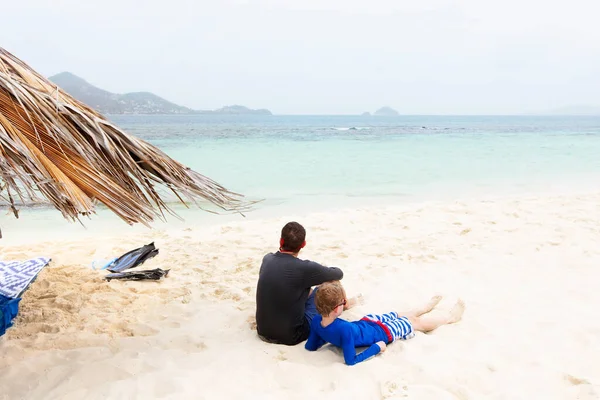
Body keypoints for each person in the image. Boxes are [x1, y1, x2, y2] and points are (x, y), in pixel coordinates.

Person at [305, 281, 465, 365]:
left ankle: (423, 308)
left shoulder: (317, 321)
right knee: (414, 323)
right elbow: (351, 360)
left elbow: (310, 346)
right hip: (382, 332)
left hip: (366, 323)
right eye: (343, 302)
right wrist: (376, 347)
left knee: (399, 314)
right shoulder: (344, 330)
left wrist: (326, 336)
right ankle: (450, 318)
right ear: (336, 310)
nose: (345, 303)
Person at [255, 221, 360, 345]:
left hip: (262, 331)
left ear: (281, 241)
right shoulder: (304, 268)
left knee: (295, 285)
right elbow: (338, 273)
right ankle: (344, 304)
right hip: (293, 336)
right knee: (331, 281)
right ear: (303, 244)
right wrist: (320, 269)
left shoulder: (267, 259)